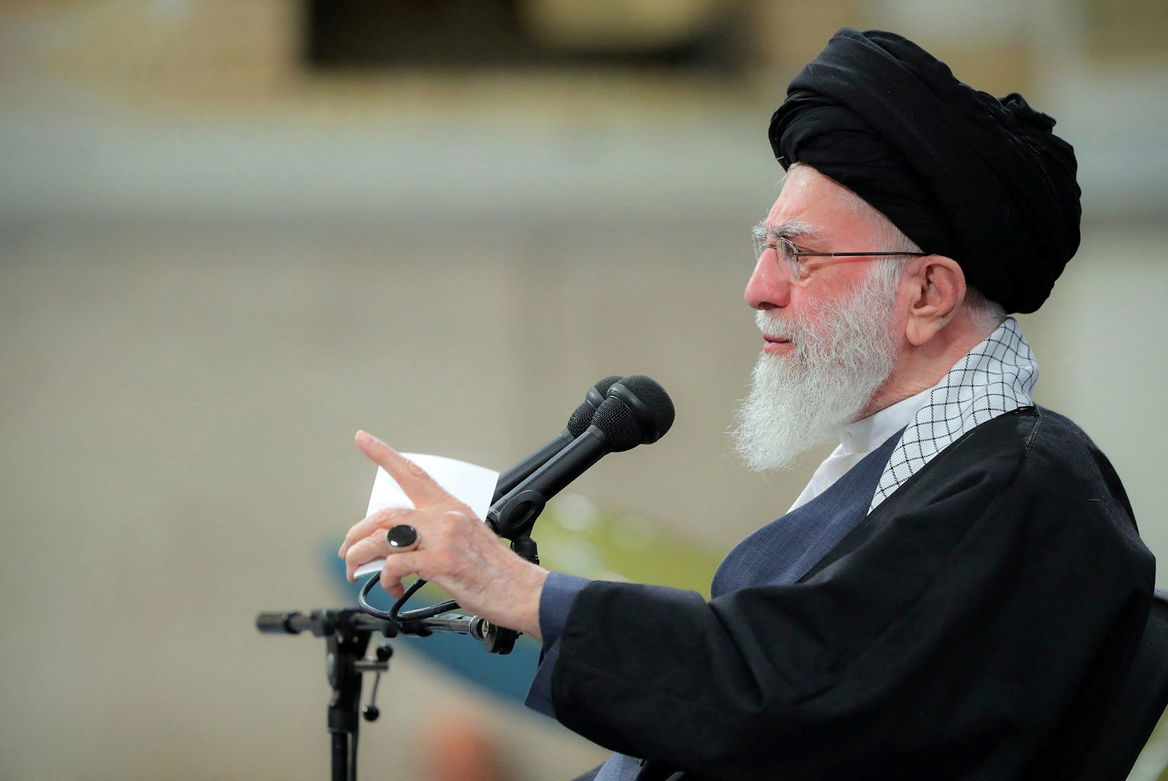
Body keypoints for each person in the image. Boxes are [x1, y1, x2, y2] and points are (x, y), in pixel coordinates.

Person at [339, 29, 1157, 779]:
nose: (758, 289)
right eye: (765, 247)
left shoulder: (1023, 488)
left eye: (797, 254)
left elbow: (794, 687)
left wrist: (525, 591)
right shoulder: (912, 465)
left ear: (929, 291)